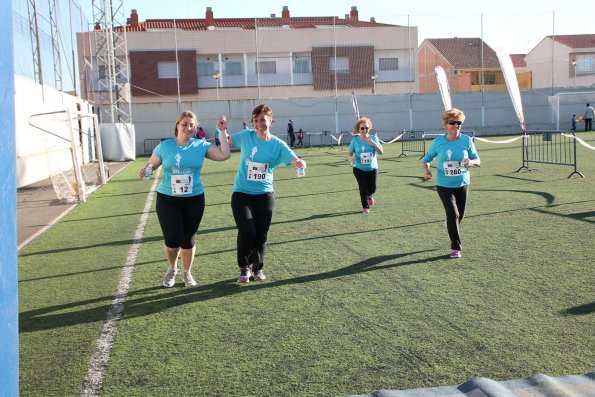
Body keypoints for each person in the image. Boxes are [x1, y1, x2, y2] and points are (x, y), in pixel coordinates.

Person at [139, 111, 230, 287]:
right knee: (172, 241)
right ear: (177, 125)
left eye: (191, 125)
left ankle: (187, 272)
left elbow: (224, 155)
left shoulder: (200, 145)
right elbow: (149, 168)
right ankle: (173, 268)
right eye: (184, 124)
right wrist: (144, 172)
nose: (188, 127)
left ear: (195, 128)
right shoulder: (164, 147)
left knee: (188, 240)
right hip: (168, 199)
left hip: (194, 199)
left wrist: (221, 131)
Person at [222, 104, 306, 283]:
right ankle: (244, 267)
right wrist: (221, 130)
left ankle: (257, 268)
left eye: (264, 120)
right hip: (242, 193)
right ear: (253, 123)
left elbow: (293, 158)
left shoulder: (277, 144)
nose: (261, 123)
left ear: (270, 121)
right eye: (257, 120)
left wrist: (299, 163)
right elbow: (228, 139)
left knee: (261, 233)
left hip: (264, 193)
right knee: (247, 229)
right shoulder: (246, 136)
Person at [421, 108, 480, 259]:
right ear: (446, 124)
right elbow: (426, 159)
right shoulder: (438, 142)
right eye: (452, 122)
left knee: (460, 216)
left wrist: (471, 162)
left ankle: (450, 226)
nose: (455, 125)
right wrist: (426, 171)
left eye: (458, 123)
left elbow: (477, 160)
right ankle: (455, 247)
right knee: (453, 214)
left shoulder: (466, 140)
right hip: (444, 184)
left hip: (462, 183)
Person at [347, 117, 383, 213]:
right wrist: (351, 158)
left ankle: (370, 195)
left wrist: (374, 144)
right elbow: (349, 154)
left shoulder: (374, 138)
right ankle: (365, 207)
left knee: (373, 188)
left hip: (372, 168)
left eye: (366, 128)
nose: (364, 130)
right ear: (358, 129)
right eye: (362, 128)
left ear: (369, 128)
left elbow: (381, 152)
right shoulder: (355, 140)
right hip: (359, 168)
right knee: (363, 187)